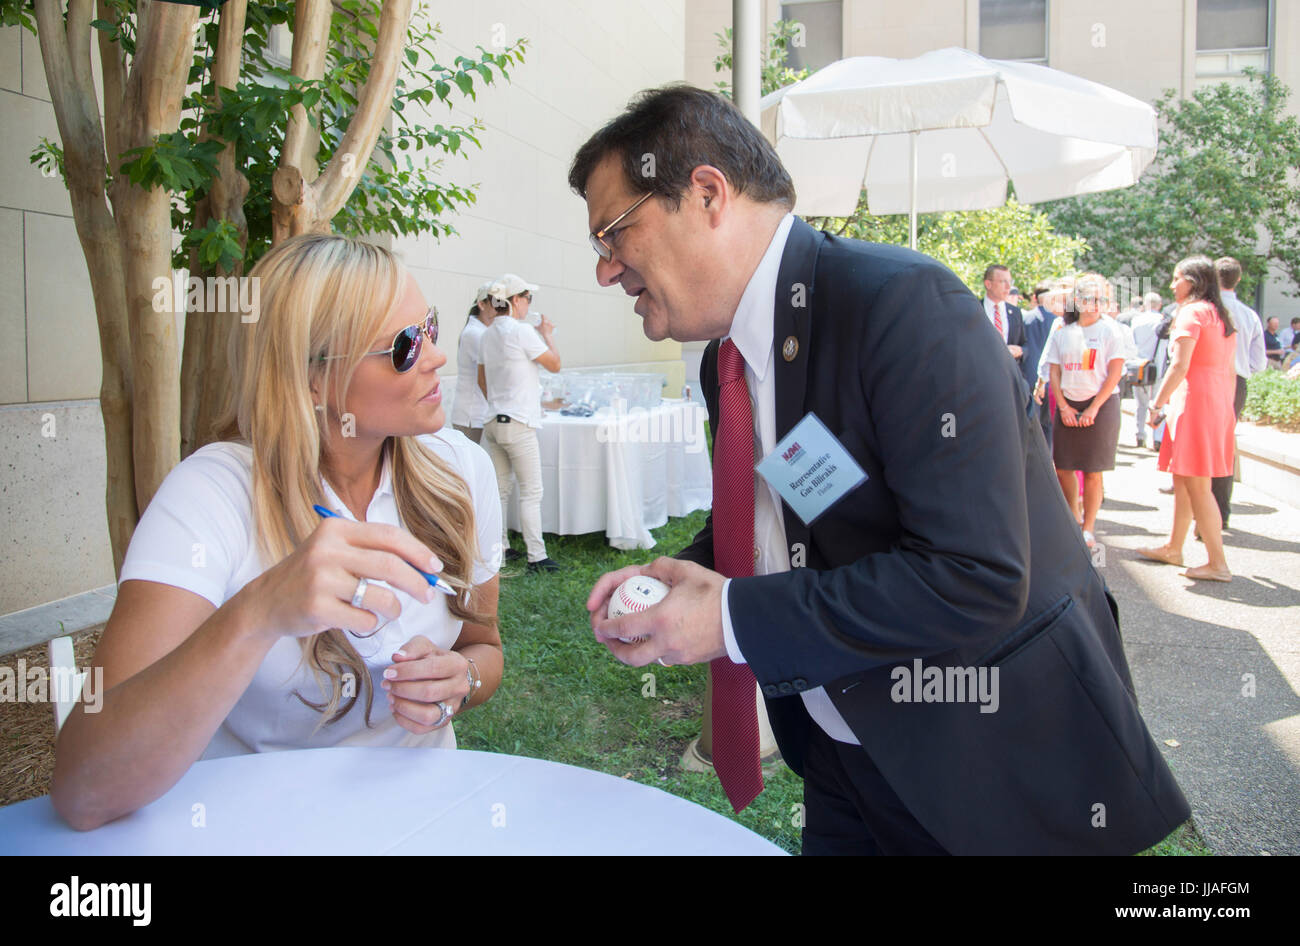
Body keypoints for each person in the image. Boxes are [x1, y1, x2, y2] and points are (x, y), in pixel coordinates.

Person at [569, 84, 1188, 855]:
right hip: (841, 753)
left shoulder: (903, 306)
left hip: (983, 769)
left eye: (613, 233)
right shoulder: (726, 361)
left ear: (705, 192)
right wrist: (686, 577)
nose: (604, 271)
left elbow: (974, 576)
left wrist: (729, 619)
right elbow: (804, 503)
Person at [51, 235, 504, 830]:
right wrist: (257, 613)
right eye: (403, 346)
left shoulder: (461, 470)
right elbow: (85, 788)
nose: (436, 356)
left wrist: (461, 680)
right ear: (313, 381)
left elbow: (485, 646)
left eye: (431, 326)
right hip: (252, 826)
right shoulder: (212, 494)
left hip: (420, 817)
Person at [1138, 256, 1237, 582]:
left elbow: (1180, 366)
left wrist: (1156, 402)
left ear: (1192, 281)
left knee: (1197, 485)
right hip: (1215, 402)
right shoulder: (1218, 314)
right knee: (1185, 480)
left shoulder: (1192, 313)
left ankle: (1217, 563)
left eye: (1177, 278)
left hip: (1195, 403)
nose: (1172, 284)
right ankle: (1174, 547)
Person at [479, 273, 563, 573]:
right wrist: (547, 334)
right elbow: (555, 364)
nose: (529, 304)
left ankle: (499, 548)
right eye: (528, 298)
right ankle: (536, 556)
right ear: (515, 300)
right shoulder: (522, 331)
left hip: (493, 420)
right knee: (531, 492)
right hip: (518, 423)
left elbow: (481, 378)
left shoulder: (487, 333)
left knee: (500, 491)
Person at [1041, 274, 1128, 549]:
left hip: (1101, 406)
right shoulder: (1063, 333)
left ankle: (1089, 528)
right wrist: (1065, 406)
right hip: (1068, 405)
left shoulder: (1111, 330)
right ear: (1077, 302)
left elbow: (1114, 373)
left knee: (1093, 471)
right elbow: (1054, 371)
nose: (1097, 304)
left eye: (1101, 299)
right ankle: (1073, 518)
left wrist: (1093, 408)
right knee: (1064, 466)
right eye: (1091, 299)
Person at [1211, 257, 1265, 530]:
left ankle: (1204, 512)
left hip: (1210, 380)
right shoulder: (1249, 314)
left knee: (1203, 444)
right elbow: (1259, 363)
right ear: (1239, 280)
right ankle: (1220, 512)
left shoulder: (1206, 310)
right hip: (1238, 383)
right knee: (1224, 445)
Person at [450, 280, 500, 444]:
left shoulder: (483, 332)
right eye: (494, 302)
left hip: (478, 414)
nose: (499, 308)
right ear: (481, 304)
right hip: (470, 415)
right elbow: (493, 371)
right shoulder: (475, 334)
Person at [1021, 282, 1056, 448]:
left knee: (1032, 424)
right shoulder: (1058, 320)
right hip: (1053, 378)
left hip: (1030, 375)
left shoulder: (1025, 318)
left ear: (1035, 298)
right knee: (1049, 425)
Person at [1129, 292, 1165, 449]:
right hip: (1157, 366)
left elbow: (1132, 344)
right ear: (1160, 305)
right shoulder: (1162, 321)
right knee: (1158, 402)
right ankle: (1157, 438)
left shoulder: (1137, 320)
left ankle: (1140, 434)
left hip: (1140, 366)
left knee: (1141, 404)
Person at [981, 264, 1026, 363]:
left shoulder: (1015, 312)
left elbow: (1024, 344)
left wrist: (1021, 351)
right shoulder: (975, 310)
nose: (1008, 286)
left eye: (1010, 281)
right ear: (988, 284)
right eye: (1003, 282)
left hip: (1009, 373)